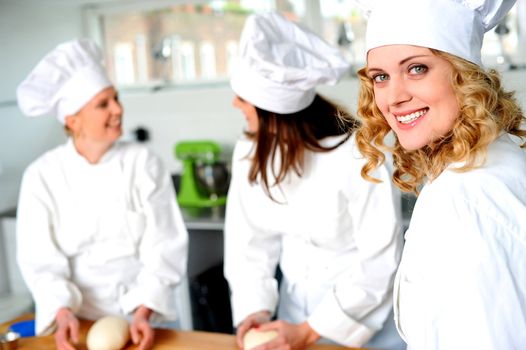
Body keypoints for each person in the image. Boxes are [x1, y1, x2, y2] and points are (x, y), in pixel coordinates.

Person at [223, 12, 404, 349]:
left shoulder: (361, 153)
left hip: (366, 323)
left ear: (272, 111)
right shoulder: (251, 149)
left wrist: (312, 328)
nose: (235, 104)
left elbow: (380, 259)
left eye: (243, 98)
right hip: (292, 318)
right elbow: (249, 242)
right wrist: (254, 309)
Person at [354, 0, 526, 348]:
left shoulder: (463, 200)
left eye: (417, 68)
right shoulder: (498, 155)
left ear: (466, 76)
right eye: (381, 77)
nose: (394, 97)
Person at [16, 39, 188, 350]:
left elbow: (164, 245)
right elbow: (40, 260)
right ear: (73, 120)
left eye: (116, 99)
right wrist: (62, 311)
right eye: (103, 104)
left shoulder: (142, 162)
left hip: (146, 319)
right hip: (77, 324)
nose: (118, 110)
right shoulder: (42, 176)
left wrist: (144, 310)